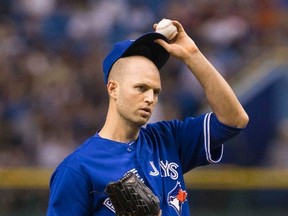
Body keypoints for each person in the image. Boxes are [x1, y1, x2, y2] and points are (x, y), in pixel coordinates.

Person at [46, 20, 249, 216]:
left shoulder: (168, 138)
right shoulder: (78, 168)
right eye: (141, 88)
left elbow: (234, 119)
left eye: (156, 91)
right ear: (113, 89)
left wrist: (192, 55)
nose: (150, 99)